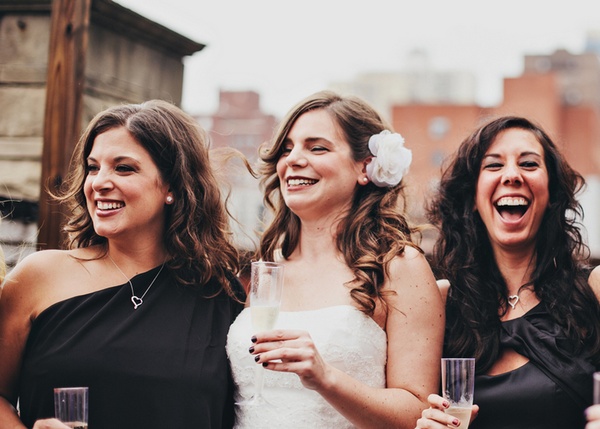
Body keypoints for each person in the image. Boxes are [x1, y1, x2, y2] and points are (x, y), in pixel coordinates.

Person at [0, 100, 245, 429]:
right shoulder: (38, 277)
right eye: (92, 167)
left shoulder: (221, 294)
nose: (99, 182)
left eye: (123, 168)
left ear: (171, 185)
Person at [226, 90, 445, 428]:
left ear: (365, 167)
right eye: (287, 148)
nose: (293, 160)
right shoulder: (266, 267)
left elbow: (417, 410)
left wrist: (326, 378)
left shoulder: (399, 266)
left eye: (317, 148)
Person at [416, 116, 600, 429]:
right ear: (472, 197)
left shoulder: (593, 290)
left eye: (528, 164)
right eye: (493, 165)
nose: (512, 175)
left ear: (552, 193)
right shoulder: (440, 304)